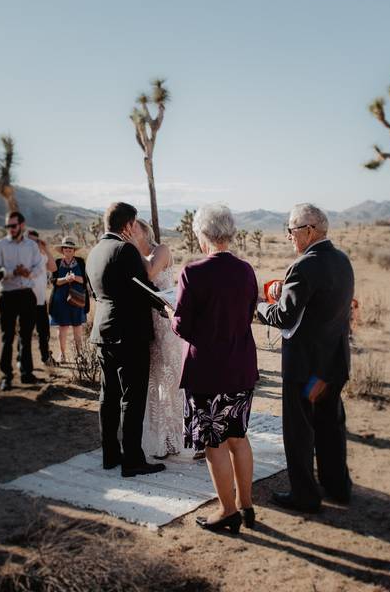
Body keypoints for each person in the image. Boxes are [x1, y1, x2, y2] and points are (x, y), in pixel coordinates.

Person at [256, 203, 355, 513]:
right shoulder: (342, 260)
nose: (289, 237)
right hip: (332, 365)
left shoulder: (304, 265)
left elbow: (285, 317)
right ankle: (337, 486)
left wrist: (258, 308)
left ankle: (305, 495)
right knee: (330, 425)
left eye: (291, 230)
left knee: (300, 431)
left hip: (306, 368)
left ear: (309, 231)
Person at [170, 204, 259, 533]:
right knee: (238, 436)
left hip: (208, 371)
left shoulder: (193, 272)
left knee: (215, 443)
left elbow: (184, 326)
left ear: (202, 234)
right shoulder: (247, 270)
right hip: (240, 365)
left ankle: (227, 511)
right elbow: (248, 312)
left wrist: (171, 317)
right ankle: (247, 505)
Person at [85, 202, 165, 478]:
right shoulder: (125, 249)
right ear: (129, 226)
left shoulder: (94, 252)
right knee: (133, 396)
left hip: (103, 331)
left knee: (108, 395)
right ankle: (132, 459)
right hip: (130, 333)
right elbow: (143, 288)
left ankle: (110, 454)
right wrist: (168, 307)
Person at [133, 221, 185, 460]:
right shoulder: (135, 254)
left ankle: (172, 438)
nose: (129, 231)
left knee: (169, 380)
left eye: (134, 228)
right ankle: (155, 438)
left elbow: (150, 274)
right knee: (153, 382)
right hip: (146, 324)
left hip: (165, 323)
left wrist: (132, 247)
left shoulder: (161, 249)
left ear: (145, 231)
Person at [0, 211, 43, 390]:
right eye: (7, 226)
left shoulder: (32, 246)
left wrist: (29, 273)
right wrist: (13, 272)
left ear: (22, 225)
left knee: (26, 336)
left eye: (13, 226)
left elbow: (39, 266)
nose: (10, 229)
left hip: (27, 293)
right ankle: (6, 376)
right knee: (7, 336)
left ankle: (27, 373)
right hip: (8, 294)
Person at [48, 236, 89, 363]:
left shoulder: (81, 262)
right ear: (62, 249)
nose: (68, 250)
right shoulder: (57, 262)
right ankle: (62, 354)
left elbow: (84, 280)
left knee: (77, 328)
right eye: (65, 247)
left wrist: (74, 277)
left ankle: (80, 355)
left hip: (77, 298)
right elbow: (54, 281)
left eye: (70, 248)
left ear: (74, 250)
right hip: (60, 300)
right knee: (62, 328)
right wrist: (65, 279)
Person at [22, 229, 56, 368]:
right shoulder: (22, 256)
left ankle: (45, 357)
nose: (33, 244)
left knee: (44, 331)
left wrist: (46, 248)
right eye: (29, 240)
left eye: (35, 241)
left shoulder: (42, 256)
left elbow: (53, 268)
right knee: (25, 334)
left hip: (41, 301)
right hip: (25, 301)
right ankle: (23, 362)